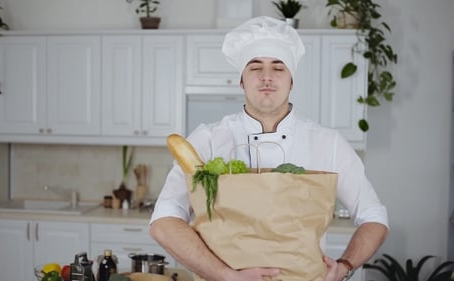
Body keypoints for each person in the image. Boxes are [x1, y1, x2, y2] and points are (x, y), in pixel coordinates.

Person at [149, 16, 389, 281]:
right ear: (241, 80)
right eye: (255, 67)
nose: (266, 77)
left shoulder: (327, 143)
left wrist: (345, 266)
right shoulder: (208, 140)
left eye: (278, 67)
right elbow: (163, 222)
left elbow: (373, 216)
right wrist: (227, 276)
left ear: (292, 80)